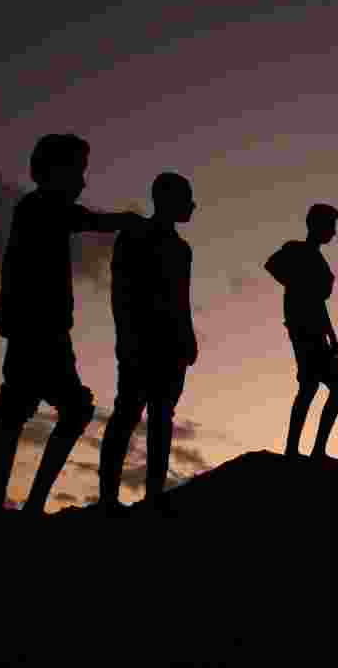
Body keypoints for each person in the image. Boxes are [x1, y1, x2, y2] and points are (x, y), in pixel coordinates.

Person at [0, 134, 147, 514]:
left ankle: (11, 502)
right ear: (56, 171)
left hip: (45, 328)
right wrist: (126, 220)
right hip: (38, 328)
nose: (82, 181)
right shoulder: (41, 207)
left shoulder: (39, 208)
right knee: (44, 409)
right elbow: (86, 220)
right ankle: (15, 503)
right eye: (78, 170)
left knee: (25, 408)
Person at [98, 173, 198, 512]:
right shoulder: (133, 236)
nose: (193, 206)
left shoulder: (182, 249)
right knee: (127, 414)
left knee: (161, 418)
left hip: (171, 346)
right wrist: (125, 337)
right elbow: (120, 291)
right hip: (141, 342)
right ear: (169, 200)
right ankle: (108, 497)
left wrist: (189, 337)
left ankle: (153, 494)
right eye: (187, 198)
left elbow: (183, 298)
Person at [264, 203, 338, 458]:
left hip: (316, 330)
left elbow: (319, 304)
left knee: (315, 387)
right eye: (330, 226)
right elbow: (273, 266)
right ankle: (305, 449)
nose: (333, 232)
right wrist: (299, 285)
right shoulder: (296, 250)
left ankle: (309, 449)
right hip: (303, 329)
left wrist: (333, 337)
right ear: (316, 225)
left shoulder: (320, 262)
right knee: (327, 387)